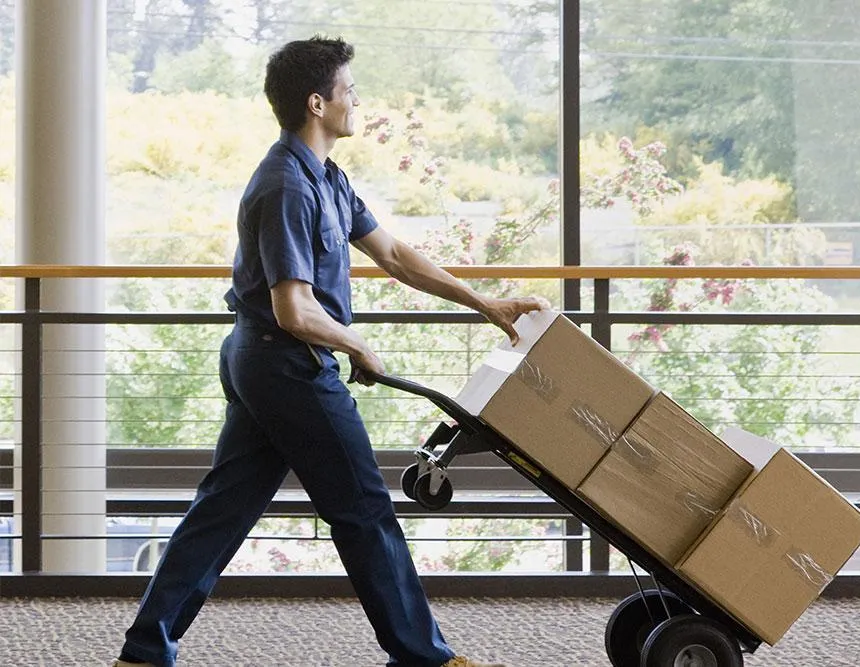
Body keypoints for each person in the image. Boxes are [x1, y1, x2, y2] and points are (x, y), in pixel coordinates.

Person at [113, 35, 548, 667]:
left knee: (223, 510)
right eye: (349, 91)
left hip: (265, 361)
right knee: (365, 510)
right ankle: (427, 658)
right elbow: (295, 309)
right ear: (318, 103)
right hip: (285, 363)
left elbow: (395, 254)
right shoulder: (285, 186)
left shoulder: (328, 178)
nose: (357, 102)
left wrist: (484, 304)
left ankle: (144, 651)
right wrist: (356, 344)